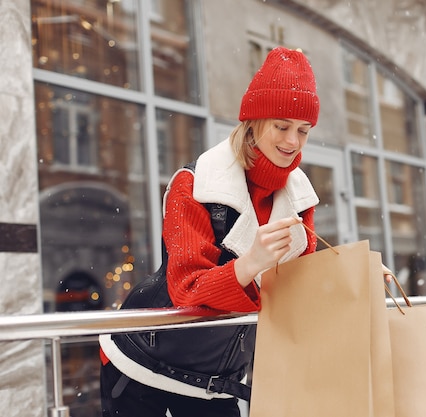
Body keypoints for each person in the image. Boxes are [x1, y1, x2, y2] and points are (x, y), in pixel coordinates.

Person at [99, 46, 320, 417]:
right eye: (281, 126)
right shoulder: (194, 184)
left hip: (220, 380)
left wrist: (355, 272)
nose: (292, 142)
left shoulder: (299, 196)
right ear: (253, 122)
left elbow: (300, 283)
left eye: (303, 130)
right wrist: (249, 264)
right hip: (143, 364)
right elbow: (185, 287)